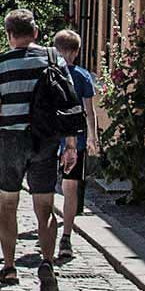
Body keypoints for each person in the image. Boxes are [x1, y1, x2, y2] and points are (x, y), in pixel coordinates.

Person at [0, 9, 77, 291]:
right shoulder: (53, 58)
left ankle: (9, 266)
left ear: (9, 35)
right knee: (44, 206)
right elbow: (68, 103)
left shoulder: (1, 63)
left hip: (12, 139)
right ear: (35, 32)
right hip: (46, 139)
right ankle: (46, 262)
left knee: (8, 203)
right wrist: (70, 145)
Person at [52, 29, 98, 258]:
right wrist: (93, 138)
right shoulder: (82, 76)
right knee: (71, 189)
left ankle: (47, 230)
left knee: (48, 188)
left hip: (51, 138)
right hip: (77, 139)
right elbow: (89, 112)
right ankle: (66, 237)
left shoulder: (48, 73)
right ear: (77, 52)